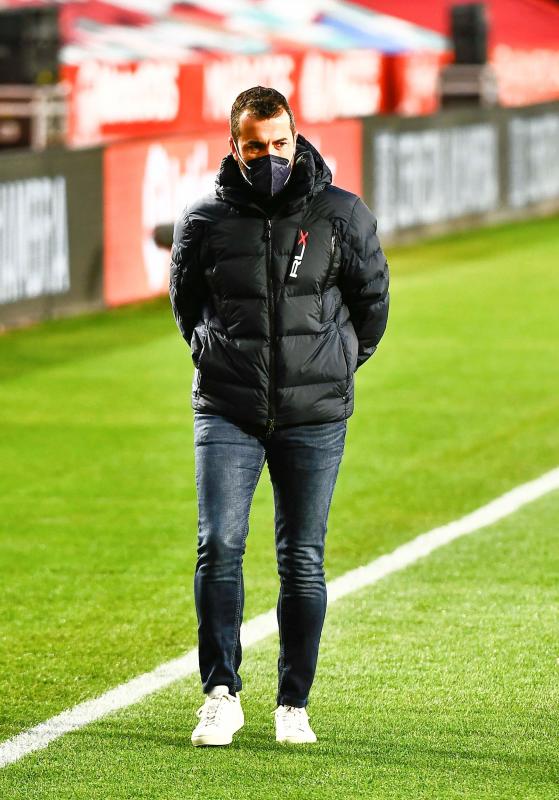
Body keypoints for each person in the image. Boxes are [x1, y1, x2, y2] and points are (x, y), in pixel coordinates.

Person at [169, 86, 389, 747]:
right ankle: (220, 695)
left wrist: (336, 361)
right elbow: (187, 306)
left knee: (302, 558)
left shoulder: (340, 214)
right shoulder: (203, 219)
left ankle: (292, 704)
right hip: (227, 408)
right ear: (234, 146)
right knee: (219, 546)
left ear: (296, 140)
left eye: (279, 144)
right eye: (255, 146)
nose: (269, 156)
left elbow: (371, 301)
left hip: (313, 413)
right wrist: (213, 354)